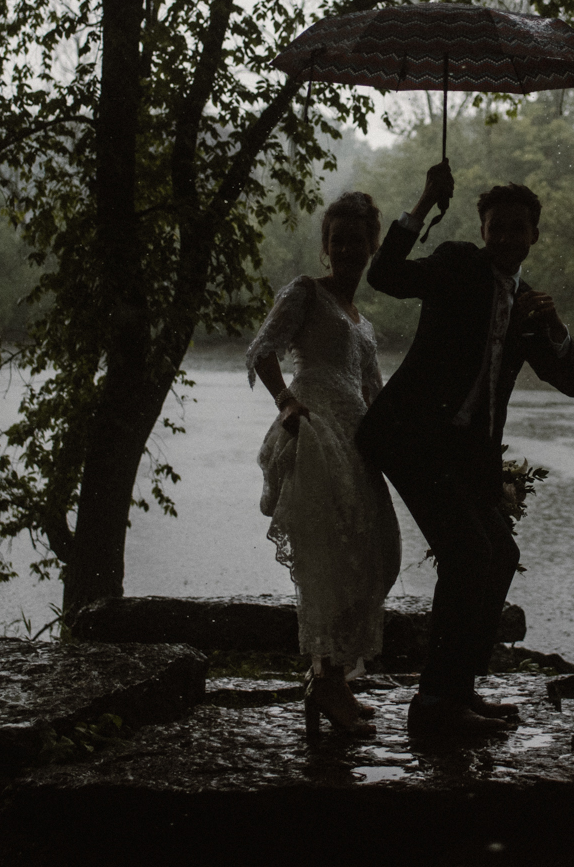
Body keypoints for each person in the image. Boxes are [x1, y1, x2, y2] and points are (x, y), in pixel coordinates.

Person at [356, 162, 574, 741]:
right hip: (409, 439)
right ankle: (435, 704)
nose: (507, 237)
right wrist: (425, 202)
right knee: (468, 557)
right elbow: (384, 275)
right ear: (482, 230)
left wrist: (556, 328)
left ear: (535, 235)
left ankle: (457, 691)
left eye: (518, 228)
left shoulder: (531, 307)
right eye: (497, 226)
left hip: (462, 457)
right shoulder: (457, 263)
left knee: (498, 557)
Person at [248, 191, 403, 738]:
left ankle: (329, 680)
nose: (346, 249)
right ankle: (326, 682)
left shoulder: (361, 320)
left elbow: (373, 387)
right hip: (315, 431)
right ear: (325, 246)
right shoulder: (305, 294)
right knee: (331, 557)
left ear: (372, 246)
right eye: (337, 240)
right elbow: (263, 349)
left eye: (357, 240)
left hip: (357, 438)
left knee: (374, 553)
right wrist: (286, 402)